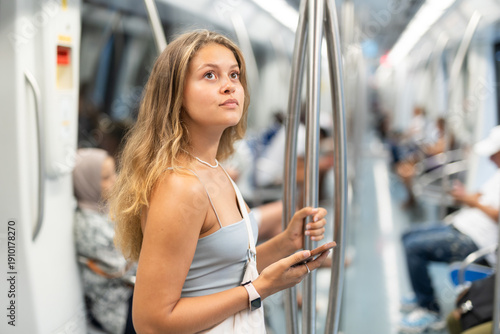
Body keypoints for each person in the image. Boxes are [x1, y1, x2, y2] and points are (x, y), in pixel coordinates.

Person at [108, 30, 332, 333]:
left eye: (234, 75)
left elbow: (226, 271)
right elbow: (152, 322)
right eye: (210, 76)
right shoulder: (180, 186)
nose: (229, 86)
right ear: (176, 94)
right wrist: (258, 290)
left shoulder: (215, 169)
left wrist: (286, 243)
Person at [398, 125, 500, 333]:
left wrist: (469, 199)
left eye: (493, 154)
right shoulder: (497, 175)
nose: (490, 159)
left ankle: (429, 309)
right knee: (407, 235)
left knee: (414, 248)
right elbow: (480, 197)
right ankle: (421, 293)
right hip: (463, 225)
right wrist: (467, 196)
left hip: (477, 240)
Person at [73, 148, 136, 334]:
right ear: (87, 182)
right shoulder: (87, 225)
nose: (114, 180)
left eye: (113, 173)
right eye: (106, 177)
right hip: (119, 310)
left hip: (133, 294)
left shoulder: (105, 207)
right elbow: (124, 267)